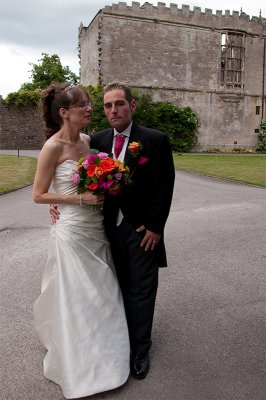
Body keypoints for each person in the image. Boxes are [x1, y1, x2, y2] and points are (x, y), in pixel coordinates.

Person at [51, 81, 175, 380]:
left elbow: (163, 188)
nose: (113, 110)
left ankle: (140, 351)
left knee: (142, 291)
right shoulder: (96, 141)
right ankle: (118, 345)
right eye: (107, 105)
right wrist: (55, 204)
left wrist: (156, 227)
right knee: (114, 290)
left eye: (119, 104)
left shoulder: (154, 140)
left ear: (131, 106)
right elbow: (75, 176)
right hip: (105, 229)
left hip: (142, 230)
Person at [32, 82, 130, 399]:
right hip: (72, 231)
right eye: (83, 105)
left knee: (102, 293)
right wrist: (77, 201)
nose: (90, 108)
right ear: (64, 113)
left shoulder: (88, 141)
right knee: (78, 296)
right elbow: (38, 195)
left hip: (94, 227)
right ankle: (80, 364)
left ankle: (108, 352)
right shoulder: (52, 148)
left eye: (89, 103)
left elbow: (93, 182)